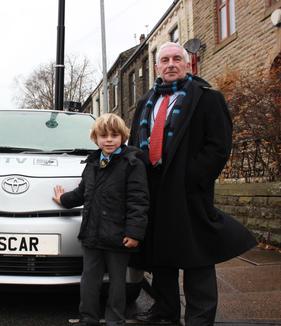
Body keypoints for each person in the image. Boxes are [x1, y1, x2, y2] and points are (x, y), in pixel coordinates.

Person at [129, 42, 256, 325]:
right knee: (161, 257)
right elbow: (134, 143)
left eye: (177, 58)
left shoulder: (207, 98)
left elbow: (219, 145)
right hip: (153, 190)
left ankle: (200, 317)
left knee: (197, 256)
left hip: (188, 191)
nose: (171, 64)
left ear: (188, 64)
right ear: (157, 67)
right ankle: (166, 311)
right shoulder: (145, 102)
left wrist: (192, 178)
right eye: (165, 60)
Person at [53, 113, 149, 326]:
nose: (108, 140)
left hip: (119, 236)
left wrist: (134, 233)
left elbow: (138, 200)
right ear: (95, 138)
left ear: (122, 137)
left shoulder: (132, 163)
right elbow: (82, 192)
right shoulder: (93, 163)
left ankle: (115, 318)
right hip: (92, 233)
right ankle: (88, 317)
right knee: (89, 279)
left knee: (117, 282)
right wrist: (63, 199)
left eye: (114, 135)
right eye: (103, 135)